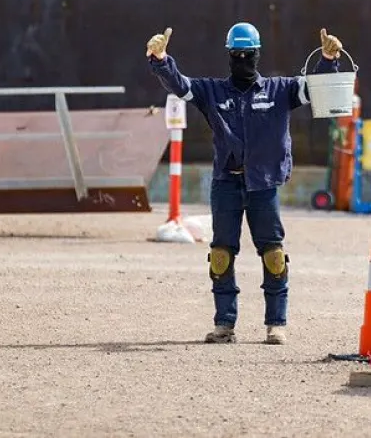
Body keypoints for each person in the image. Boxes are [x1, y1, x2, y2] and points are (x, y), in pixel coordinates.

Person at [146, 22, 344, 345]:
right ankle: (225, 324)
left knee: (273, 255)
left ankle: (276, 324)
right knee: (221, 254)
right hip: (226, 183)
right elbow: (181, 87)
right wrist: (161, 59)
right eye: (236, 54)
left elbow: (315, 89)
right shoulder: (212, 92)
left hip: (263, 185)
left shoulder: (279, 90)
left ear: (257, 55)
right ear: (228, 56)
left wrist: (327, 59)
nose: (242, 59)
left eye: (247, 54)